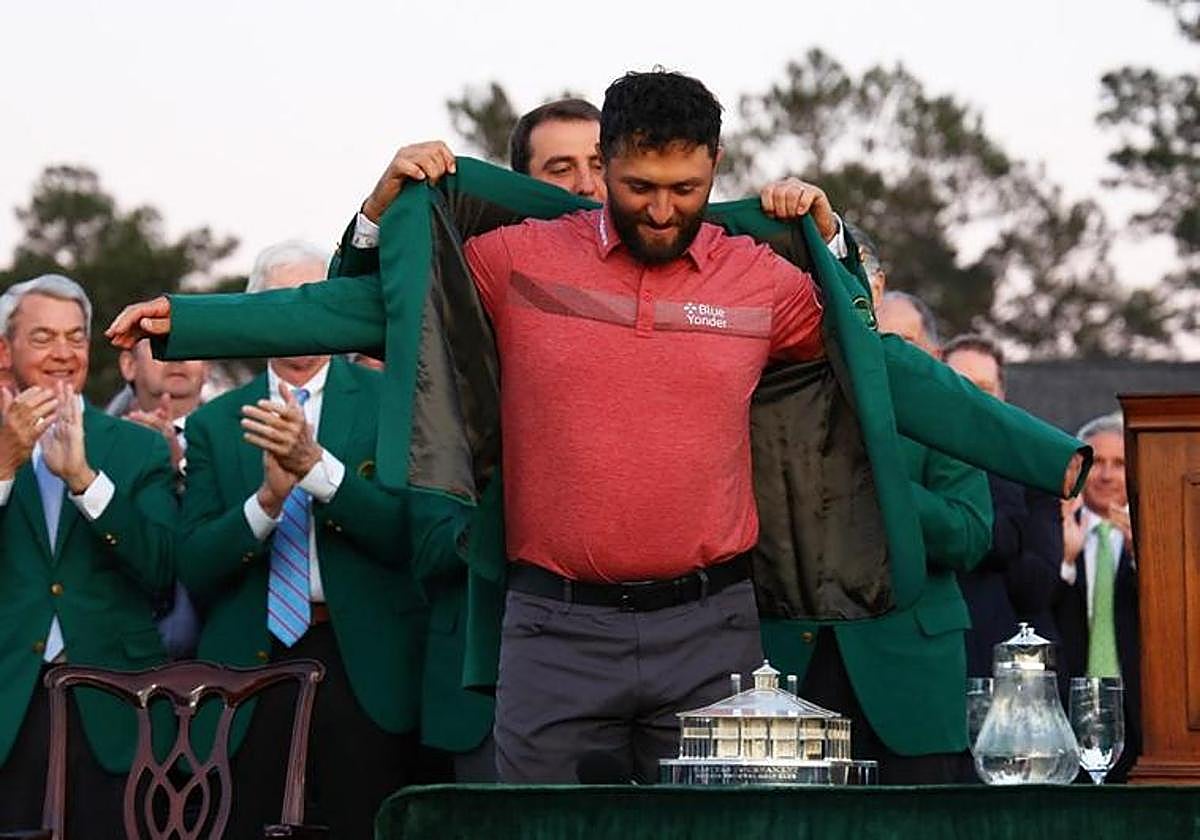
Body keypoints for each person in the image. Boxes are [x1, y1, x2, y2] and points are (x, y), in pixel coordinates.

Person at [107, 70, 1089, 784]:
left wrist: (1056, 460)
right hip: (552, 629)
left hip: (711, 631)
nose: (662, 212)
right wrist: (189, 321)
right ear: (607, 164)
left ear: (715, 166)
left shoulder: (759, 279)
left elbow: (890, 372)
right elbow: (369, 310)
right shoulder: (522, 258)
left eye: (686, 189)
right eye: (638, 186)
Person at [178, 241, 429, 835]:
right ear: (253, 312)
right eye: (284, 302)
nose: (301, 316)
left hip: (361, 660)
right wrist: (266, 503)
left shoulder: (389, 401)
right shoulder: (215, 421)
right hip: (249, 663)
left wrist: (318, 470)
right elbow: (196, 565)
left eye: (316, 300)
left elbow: (407, 537)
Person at [762, 285, 990, 784]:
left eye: (902, 344)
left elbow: (969, 536)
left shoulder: (948, 416)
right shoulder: (788, 405)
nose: (886, 358)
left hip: (913, 679)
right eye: (874, 342)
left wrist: (885, 483)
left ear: (934, 358)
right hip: (799, 663)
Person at [0, 274, 175, 834]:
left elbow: (162, 570)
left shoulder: (138, 446)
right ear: (4, 350)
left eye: (75, 337)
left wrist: (84, 481)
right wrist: (4, 465)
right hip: (10, 699)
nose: (63, 353)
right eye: (43, 337)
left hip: (114, 702)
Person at [943, 333, 1064, 673]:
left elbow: (1037, 587)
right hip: (933, 652)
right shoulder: (910, 457)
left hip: (1013, 665)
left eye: (983, 388)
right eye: (959, 384)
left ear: (1002, 395)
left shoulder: (1033, 471)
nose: (971, 397)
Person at [1055, 412, 1140, 781]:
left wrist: (1142, 557)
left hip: (1140, 716)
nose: (1106, 475)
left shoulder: (1160, 531)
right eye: (1097, 463)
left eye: (1119, 464)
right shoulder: (1053, 526)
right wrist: (1065, 560)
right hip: (1067, 712)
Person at [112, 339, 208, 658]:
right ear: (129, 365)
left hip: (216, 651)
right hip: (116, 645)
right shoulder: (92, 441)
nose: (177, 359)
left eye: (189, 349)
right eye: (160, 348)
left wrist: (180, 468)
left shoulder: (242, 434)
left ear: (207, 367)